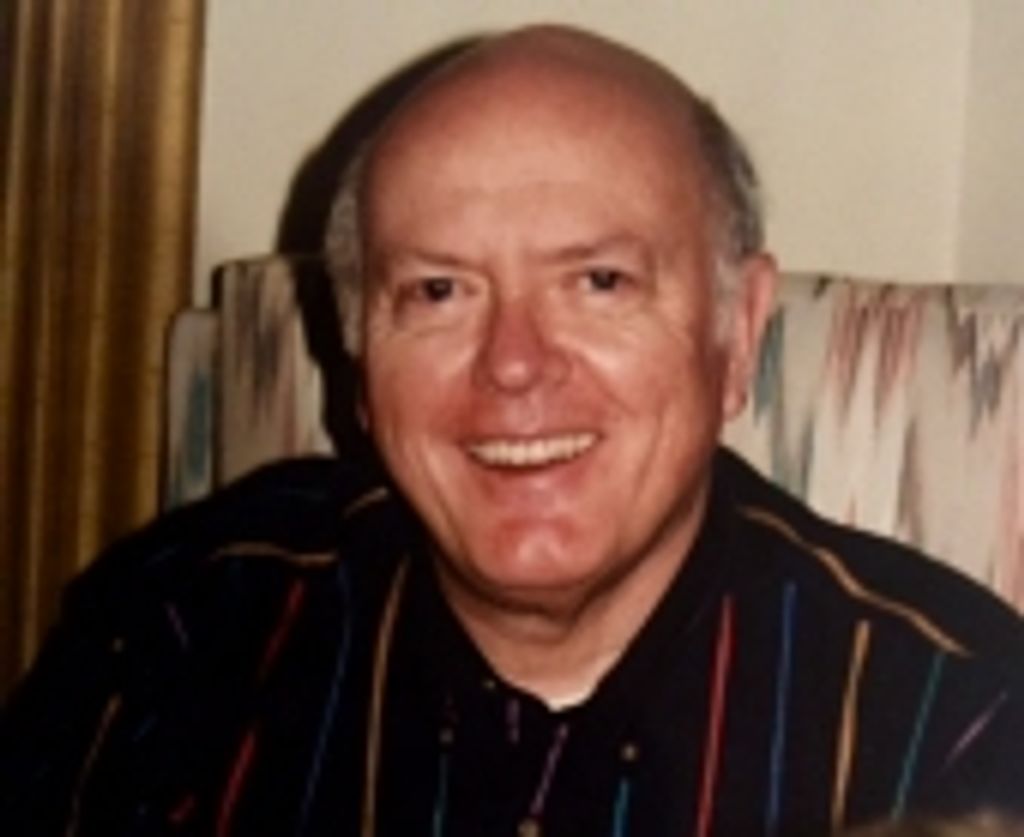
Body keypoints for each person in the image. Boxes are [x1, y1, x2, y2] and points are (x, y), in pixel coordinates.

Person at [2, 24, 1023, 836]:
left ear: (738, 332)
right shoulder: (185, 627)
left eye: (599, 281)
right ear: (359, 358)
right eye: (438, 291)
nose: (514, 365)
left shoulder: (955, 718)